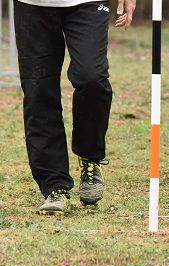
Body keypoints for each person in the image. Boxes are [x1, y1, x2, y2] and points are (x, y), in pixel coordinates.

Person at [13, 0, 136, 215]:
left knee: (92, 79)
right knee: (38, 90)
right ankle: (55, 186)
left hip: (87, 2)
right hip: (32, 5)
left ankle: (90, 159)